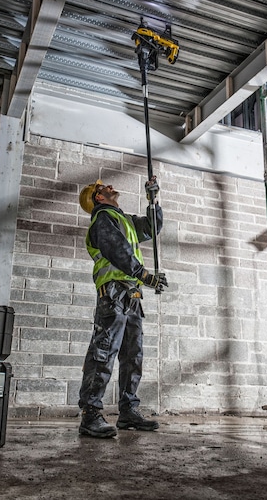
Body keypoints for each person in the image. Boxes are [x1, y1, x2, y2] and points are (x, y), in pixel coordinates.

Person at [77, 177, 168, 438]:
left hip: (131, 296)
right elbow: (118, 251)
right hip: (114, 294)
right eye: (103, 187)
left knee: (133, 355)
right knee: (103, 352)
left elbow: (151, 228)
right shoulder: (103, 219)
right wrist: (146, 275)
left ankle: (128, 411)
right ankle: (90, 414)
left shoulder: (123, 220)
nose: (109, 186)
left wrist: (153, 200)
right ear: (98, 197)